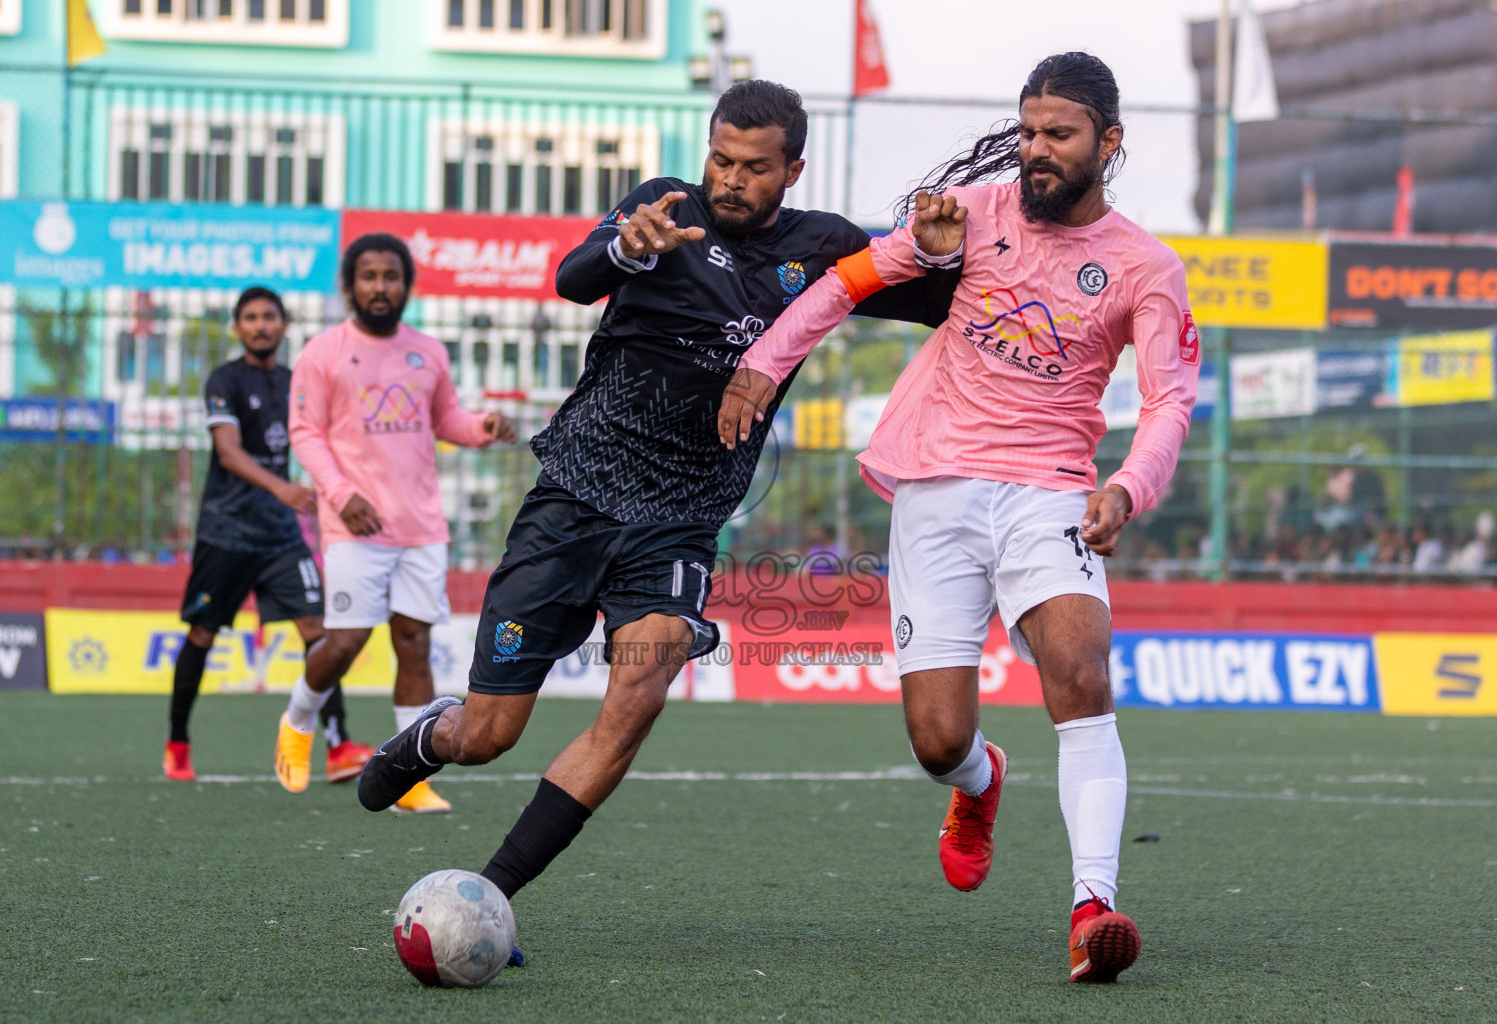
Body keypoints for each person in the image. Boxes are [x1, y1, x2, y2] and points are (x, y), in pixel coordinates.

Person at [356, 81, 959, 923]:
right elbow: (574, 278)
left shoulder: (824, 247)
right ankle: (430, 736)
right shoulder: (660, 208)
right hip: (574, 497)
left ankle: (490, 894)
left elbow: (943, 301)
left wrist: (935, 249)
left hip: (677, 522)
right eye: (721, 158)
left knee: (636, 698)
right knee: (490, 734)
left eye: (754, 167)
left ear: (793, 169)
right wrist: (628, 250)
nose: (730, 179)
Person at [719, 53, 1199, 984]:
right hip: (936, 489)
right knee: (938, 739)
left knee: (1080, 671)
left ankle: (1092, 905)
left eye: (1057, 135)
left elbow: (1169, 403)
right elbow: (842, 287)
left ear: (1110, 142)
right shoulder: (968, 218)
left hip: (1051, 489)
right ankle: (980, 784)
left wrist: (1128, 487)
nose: (1036, 153)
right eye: (1026, 134)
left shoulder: (1148, 266)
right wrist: (762, 366)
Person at [279, 233, 515, 811]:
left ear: (406, 285)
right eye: (368, 277)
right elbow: (305, 434)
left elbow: (445, 419)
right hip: (354, 525)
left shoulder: (428, 350)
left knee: (413, 641)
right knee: (346, 642)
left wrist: (480, 426)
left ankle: (409, 776)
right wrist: (339, 494)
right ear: (349, 286)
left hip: (421, 526)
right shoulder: (322, 353)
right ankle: (298, 720)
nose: (379, 287)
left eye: (390, 276)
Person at [166, 286, 375, 784]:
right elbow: (229, 453)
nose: (261, 325)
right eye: (251, 318)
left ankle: (339, 744)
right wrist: (283, 488)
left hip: (281, 537)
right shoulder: (225, 379)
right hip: (227, 533)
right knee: (201, 633)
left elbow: (325, 438)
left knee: (318, 633)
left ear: (284, 325)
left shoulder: (296, 380)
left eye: (269, 317)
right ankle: (177, 743)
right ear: (238, 328)